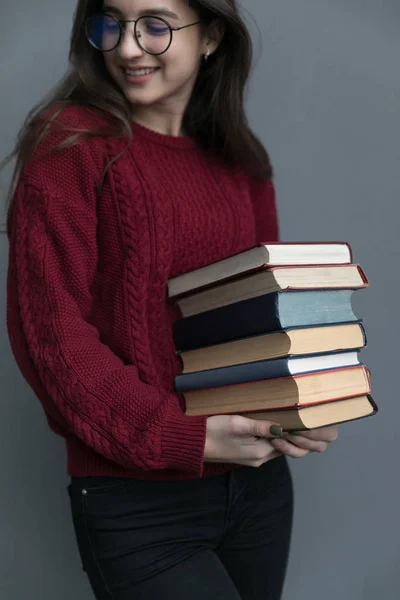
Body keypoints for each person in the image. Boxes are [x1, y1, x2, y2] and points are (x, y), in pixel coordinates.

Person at [5, 1, 338, 599]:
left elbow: (263, 312)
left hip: (257, 490)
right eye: (110, 23)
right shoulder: (72, 144)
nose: (128, 47)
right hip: (138, 503)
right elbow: (50, 337)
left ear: (211, 35)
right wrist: (186, 437)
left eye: (155, 25)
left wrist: (299, 404)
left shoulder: (241, 159)